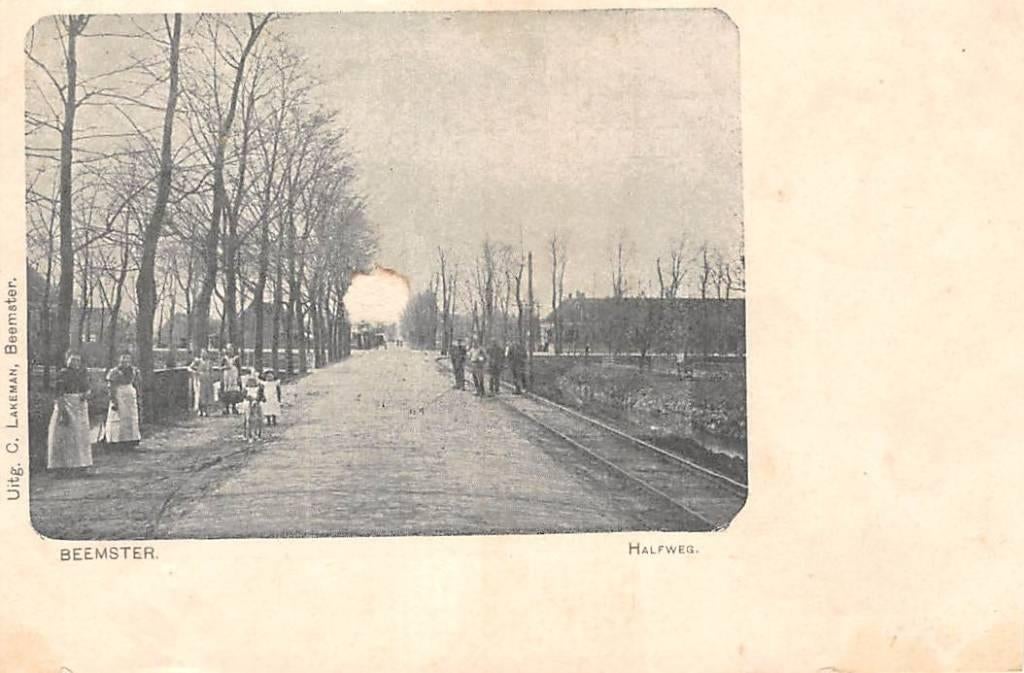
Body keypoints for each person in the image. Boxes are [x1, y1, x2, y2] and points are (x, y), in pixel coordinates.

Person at [46, 351, 93, 473]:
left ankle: (80, 464)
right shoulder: (62, 374)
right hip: (66, 404)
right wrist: (62, 412)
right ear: (67, 360)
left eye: (78, 360)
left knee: (80, 435)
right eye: (72, 360)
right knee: (65, 434)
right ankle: (63, 466)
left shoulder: (83, 374)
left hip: (80, 405)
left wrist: (86, 394)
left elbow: (88, 388)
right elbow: (58, 394)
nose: (75, 363)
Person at [103, 352, 142, 449]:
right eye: (123, 359)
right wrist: (113, 400)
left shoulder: (134, 371)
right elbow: (111, 387)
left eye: (128, 359)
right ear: (119, 360)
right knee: (117, 417)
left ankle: (130, 440)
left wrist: (138, 396)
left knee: (131, 418)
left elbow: (137, 383)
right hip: (119, 394)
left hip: (130, 395)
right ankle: (115, 441)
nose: (125, 361)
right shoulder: (114, 372)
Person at [187, 349, 215, 417]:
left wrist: (212, 377)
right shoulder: (198, 361)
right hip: (200, 379)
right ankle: (200, 410)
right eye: (202, 353)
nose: (204, 355)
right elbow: (189, 368)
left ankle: (206, 411)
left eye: (205, 353)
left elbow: (211, 370)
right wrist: (195, 372)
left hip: (207, 380)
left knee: (207, 395)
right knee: (200, 394)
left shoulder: (209, 362)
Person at [241, 369, 265, 442]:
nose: (252, 382)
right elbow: (243, 396)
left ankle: (258, 434)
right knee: (248, 419)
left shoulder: (259, 388)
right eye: (250, 381)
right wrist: (249, 399)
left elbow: (262, 397)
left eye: (253, 380)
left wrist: (258, 399)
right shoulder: (246, 389)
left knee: (259, 419)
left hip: (257, 403)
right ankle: (247, 435)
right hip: (248, 404)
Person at [220, 344, 242, 415]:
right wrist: (225, 367)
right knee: (226, 391)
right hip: (227, 376)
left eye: (231, 349)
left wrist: (239, 377)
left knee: (234, 391)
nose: (230, 351)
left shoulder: (236, 358)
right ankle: (226, 408)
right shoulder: (224, 358)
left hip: (234, 376)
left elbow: (239, 368)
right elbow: (220, 367)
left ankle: (234, 407)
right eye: (229, 349)